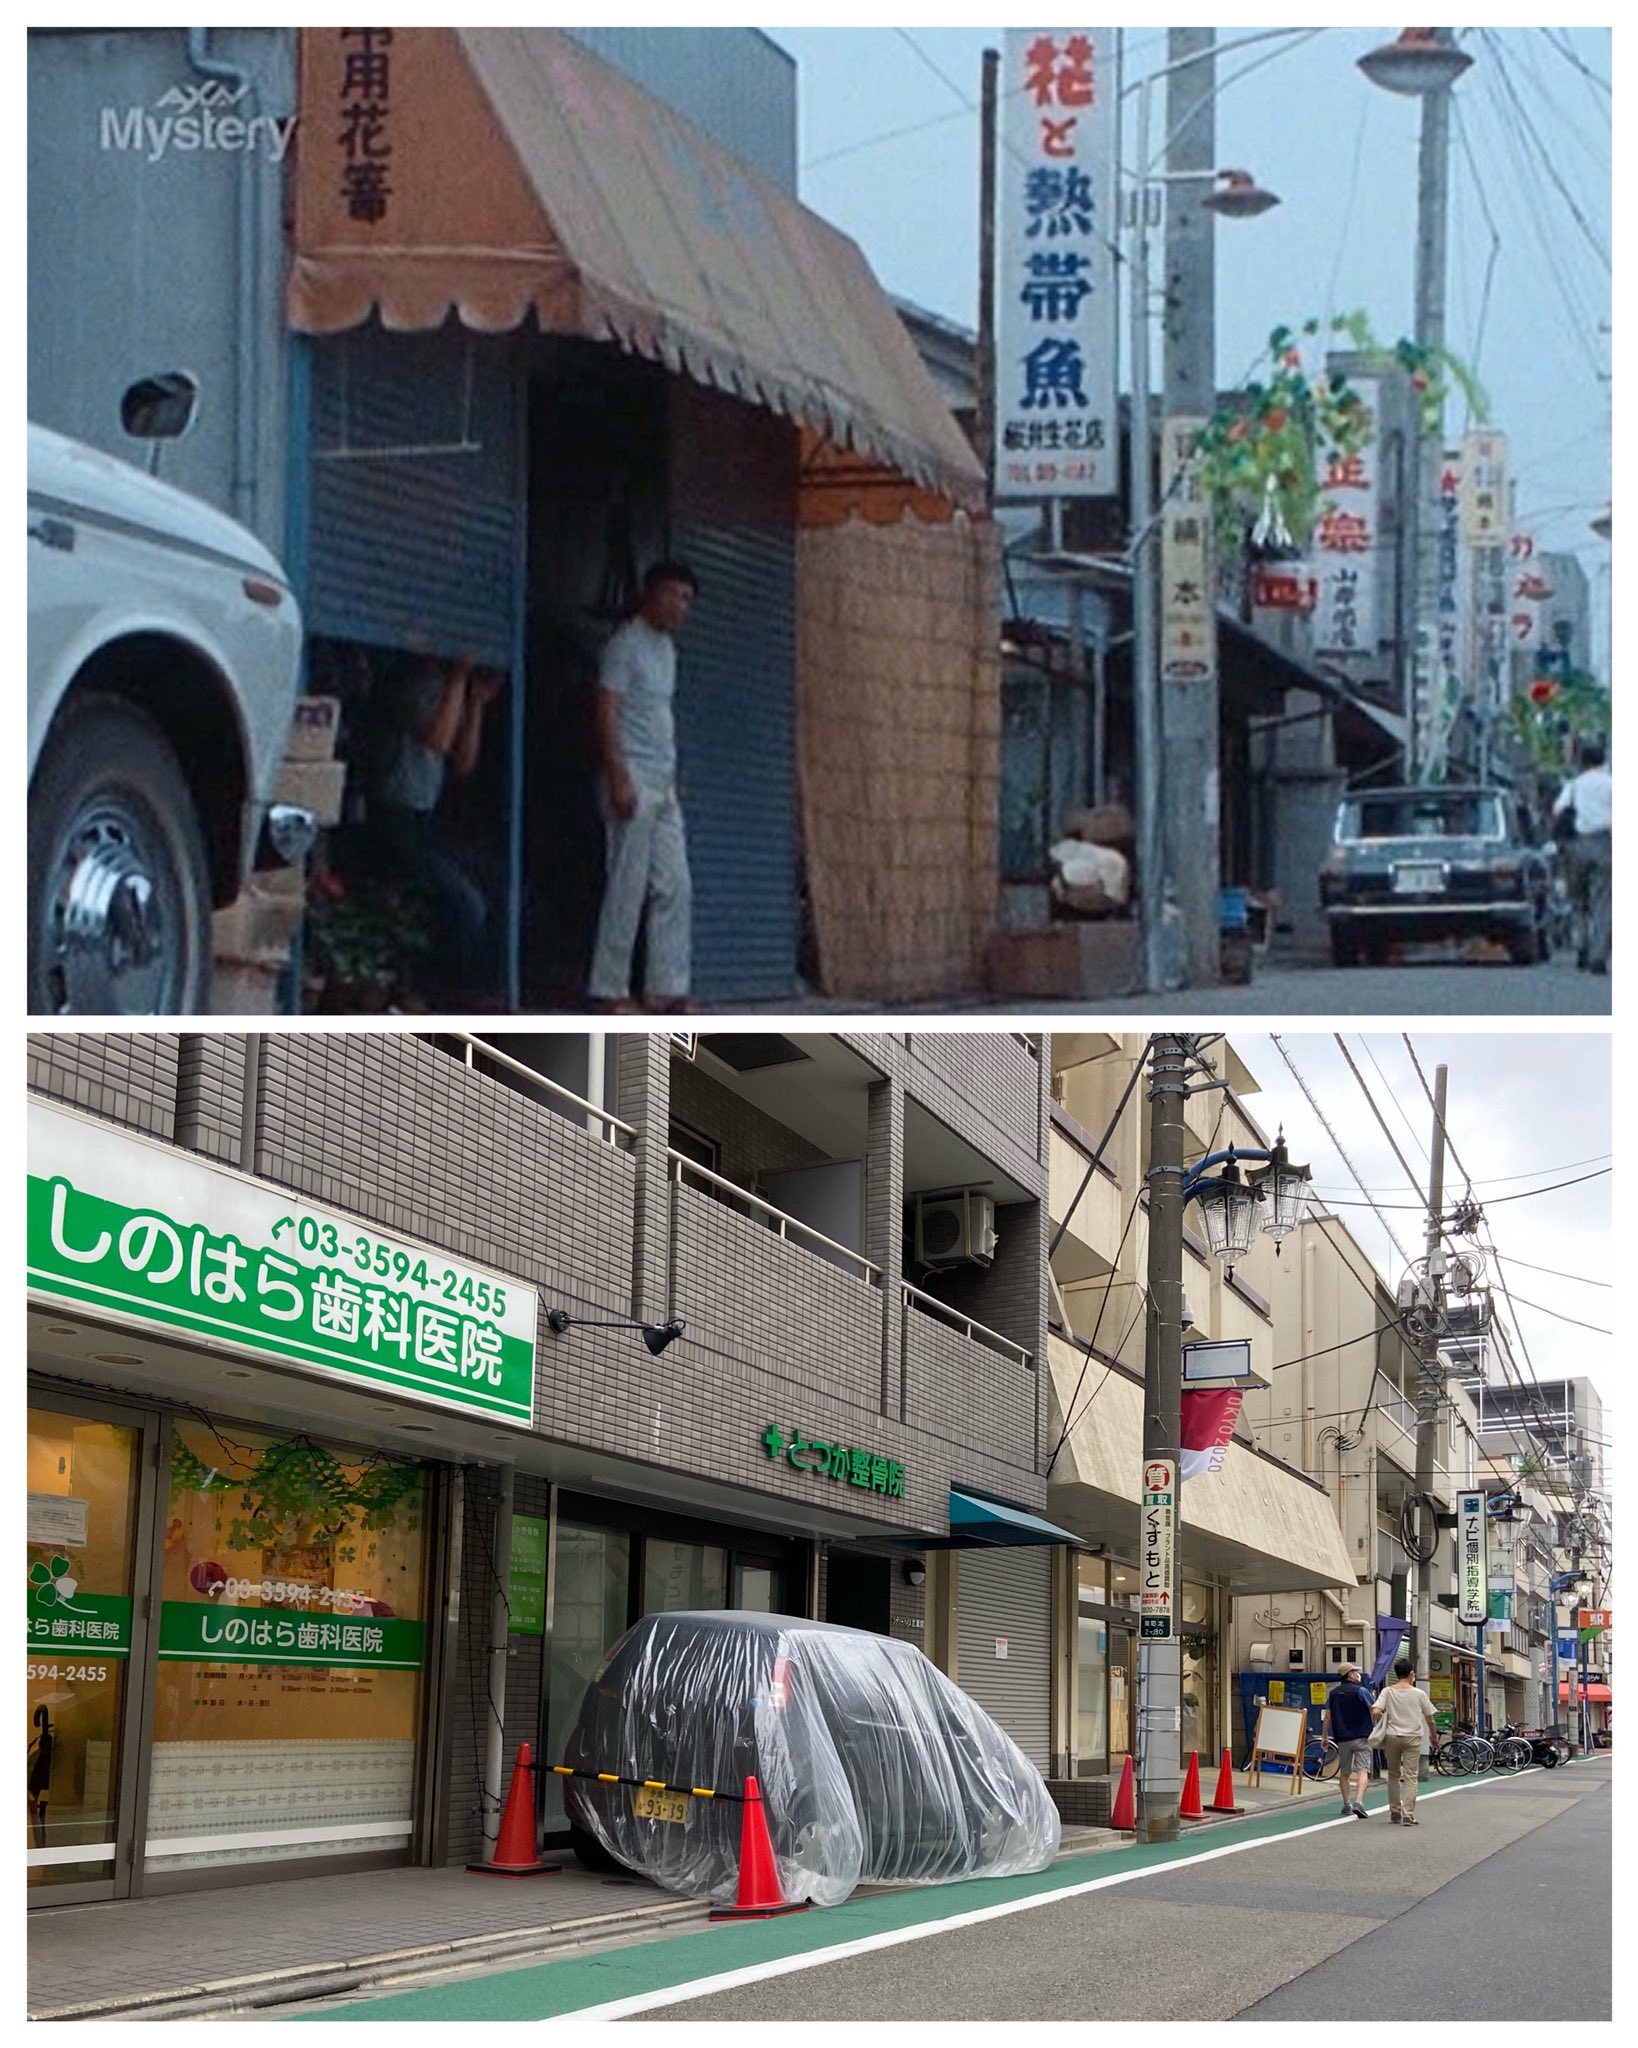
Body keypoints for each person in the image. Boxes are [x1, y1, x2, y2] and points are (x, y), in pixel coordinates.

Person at [587, 561, 698, 1013]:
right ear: (650, 594)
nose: (680, 607)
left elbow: (659, 717)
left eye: (687, 600)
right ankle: (609, 989)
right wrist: (617, 775)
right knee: (626, 886)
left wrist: (671, 776)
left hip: (662, 781)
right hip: (630, 774)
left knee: (675, 885)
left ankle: (664, 988)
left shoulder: (667, 649)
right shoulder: (625, 644)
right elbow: (605, 711)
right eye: (674, 596)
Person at [373, 651, 504, 1004]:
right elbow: (438, 740)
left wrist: (475, 702)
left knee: (496, 883)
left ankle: (470, 987)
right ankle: (446, 992)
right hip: (394, 815)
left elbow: (463, 761)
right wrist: (460, 680)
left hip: (425, 820)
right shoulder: (416, 686)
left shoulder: (447, 689)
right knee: (466, 903)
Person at [1552, 738, 1613, 974]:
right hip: (1606, 843)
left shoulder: (1574, 785)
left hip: (1577, 845)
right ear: (1603, 760)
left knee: (1578, 901)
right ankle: (1599, 956)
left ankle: (1582, 947)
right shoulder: (1612, 784)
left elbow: (1557, 809)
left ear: (1582, 762)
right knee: (1603, 902)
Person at [1370, 1656, 1439, 1827]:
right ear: (1411, 1674)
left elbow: (1376, 1711)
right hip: (1413, 1737)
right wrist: (1434, 1737)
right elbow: (1429, 1719)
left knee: (1393, 1775)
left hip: (1392, 1736)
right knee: (1410, 1776)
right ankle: (1408, 1814)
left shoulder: (1387, 1691)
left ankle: (1395, 1811)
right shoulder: (1419, 1693)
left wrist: (1385, 1717)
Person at [1322, 1664, 1376, 1819]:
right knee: (1362, 1770)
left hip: (1342, 1738)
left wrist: (1324, 1737)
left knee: (1344, 1773)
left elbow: (1327, 1717)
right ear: (1349, 1675)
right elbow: (1375, 1710)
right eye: (1355, 1671)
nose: (1358, 1674)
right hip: (1362, 1736)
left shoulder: (1333, 1694)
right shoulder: (1361, 1691)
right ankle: (1359, 1801)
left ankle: (1347, 1804)